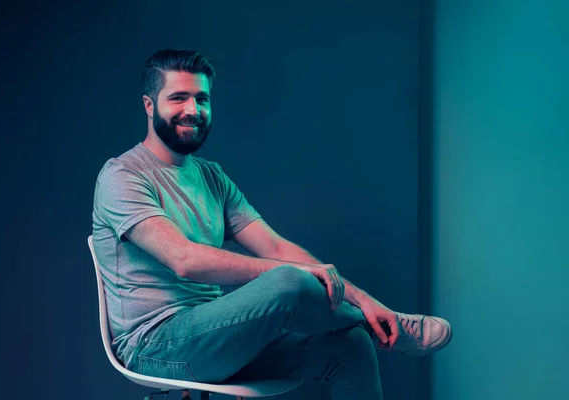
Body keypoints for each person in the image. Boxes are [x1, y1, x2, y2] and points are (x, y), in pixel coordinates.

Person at [91, 49, 452, 400]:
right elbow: (185, 261)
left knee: (350, 346)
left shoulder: (211, 176)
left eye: (202, 98)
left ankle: (374, 323)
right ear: (149, 105)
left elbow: (277, 248)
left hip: (217, 337)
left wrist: (366, 299)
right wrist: (295, 273)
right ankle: (385, 328)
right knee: (288, 277)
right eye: (179, 98)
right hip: (155, 347)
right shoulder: (122, 175)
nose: (193, 110)